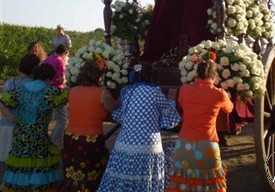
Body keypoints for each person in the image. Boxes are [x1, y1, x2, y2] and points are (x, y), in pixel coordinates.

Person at [98, 62, 181, 192]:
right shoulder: (155, 92)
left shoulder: (126, 91)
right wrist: (171, 98)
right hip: (149, 145)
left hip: (124, 143)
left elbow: (118, 113)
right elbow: (171, 119)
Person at [166, 54, 234, 192]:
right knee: (210, 186)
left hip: (184, 145)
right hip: (207, 146)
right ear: (214, 76)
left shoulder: (185, 89)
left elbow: (181, 103)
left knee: (183, 185)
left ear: (196, 73)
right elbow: (229, 109)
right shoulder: (219, 94)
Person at [0, 62, 68, 192]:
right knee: (39, 168)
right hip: (39, 137)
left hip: (21, 135)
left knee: (21, 168)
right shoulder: (50, 91)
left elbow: (3, 102)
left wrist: (13, 119)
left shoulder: (20, 90)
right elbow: (65, 98)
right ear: (49, 78)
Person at [59, 61, 116, 192]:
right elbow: (112, 107)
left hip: (71, 137)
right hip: (91, 139)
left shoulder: (72, 91)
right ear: (98, 76)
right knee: (91, 174)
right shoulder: (102, 93)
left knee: (73, 173)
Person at [0, 53, 43, 162]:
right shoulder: (34, 85)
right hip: (26, 129)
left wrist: (12, 119)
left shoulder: (9, 82)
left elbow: (3, 105)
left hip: (6, 126)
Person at [45, 44, 69, 149]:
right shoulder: (60, 62)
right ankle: (53, 142)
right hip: (57, 91)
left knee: (48, 117)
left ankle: (52, 142)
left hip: (46, 89)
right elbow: (61, 80)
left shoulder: (48, 59)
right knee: (62, 119)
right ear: (64, 53)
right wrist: (67, 81)